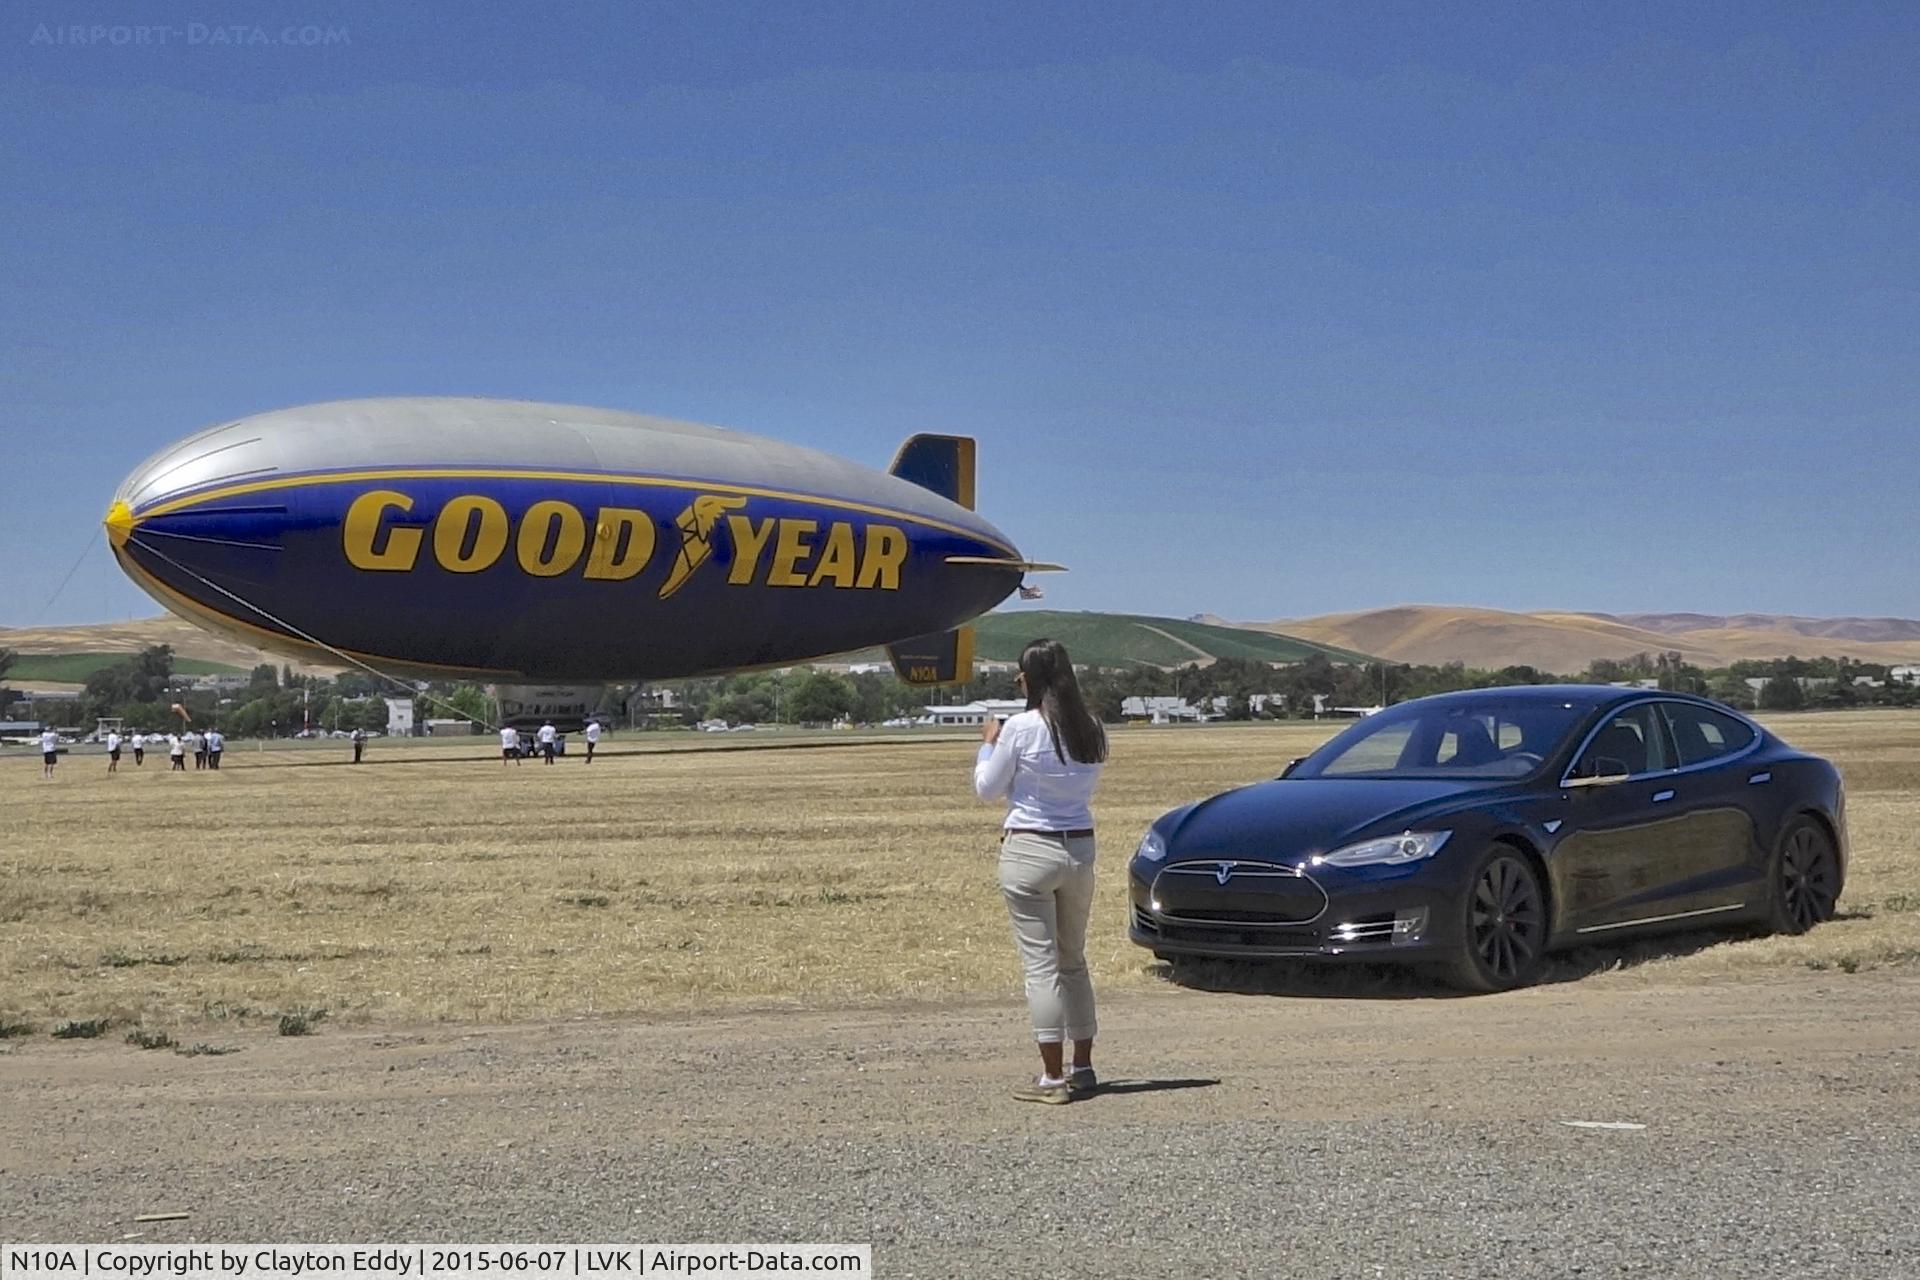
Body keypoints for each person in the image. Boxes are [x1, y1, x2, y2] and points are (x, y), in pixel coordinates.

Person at [972, 638, 1109, 1105]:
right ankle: (1083, 1066)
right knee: (1074, 961)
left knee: (1041, 967)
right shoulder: (1090, 727)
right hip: (1079, 849)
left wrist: (987, 747)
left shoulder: (1020, 728)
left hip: (1030, 849)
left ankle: (1052, 1077)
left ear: (1029, 678)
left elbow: (987, 790)